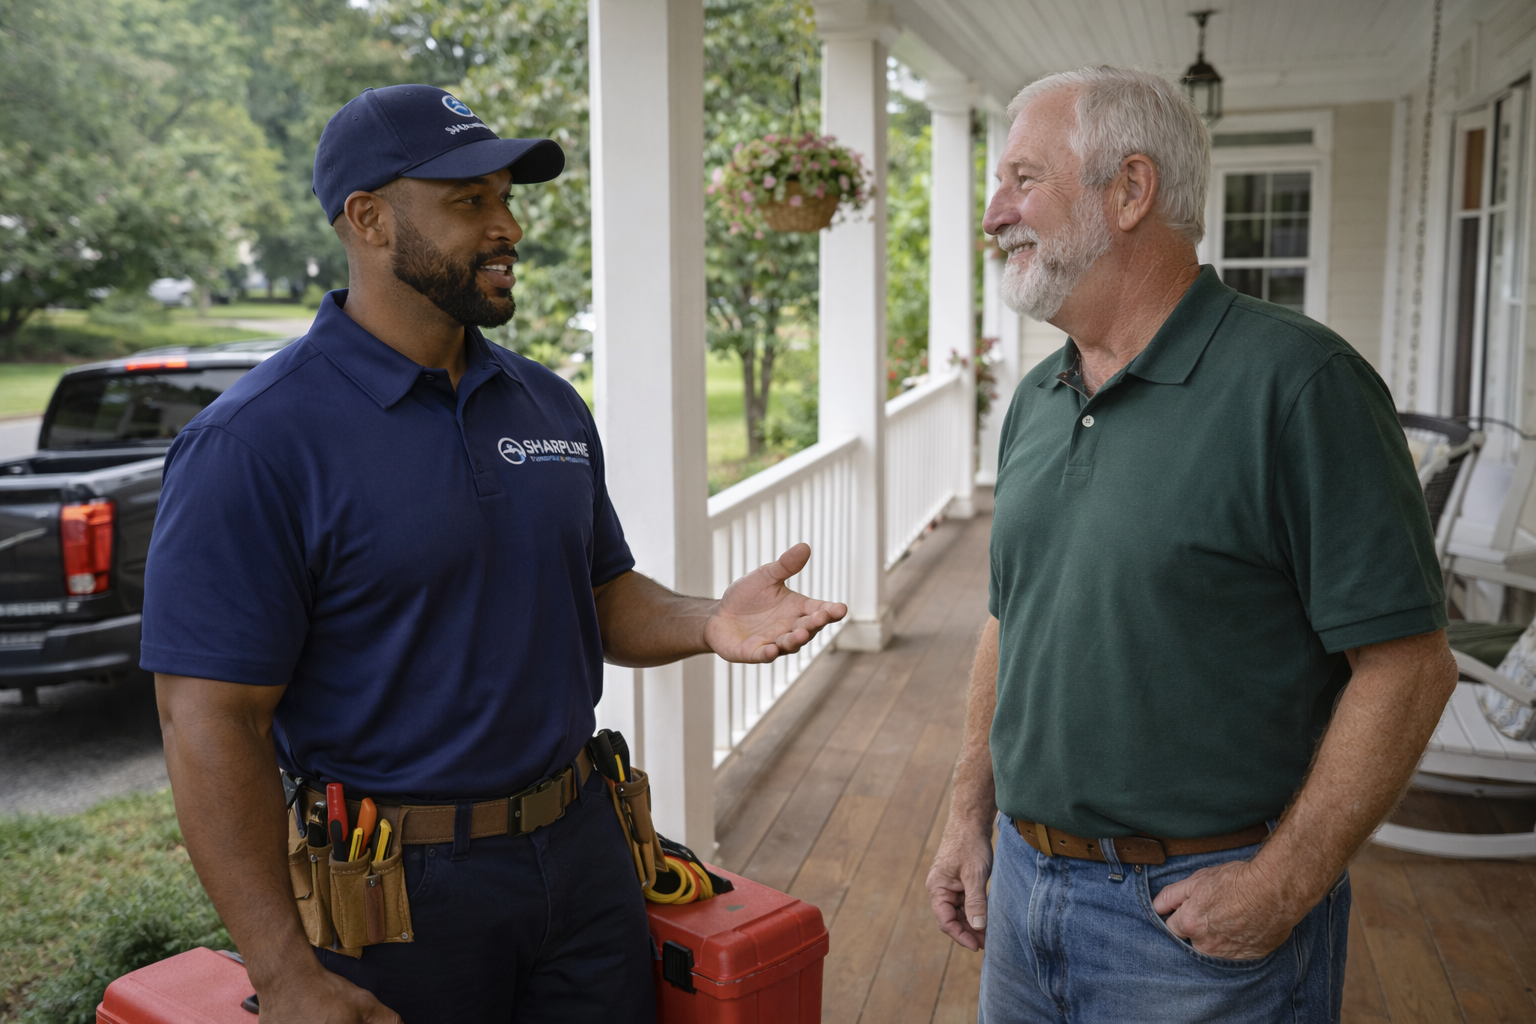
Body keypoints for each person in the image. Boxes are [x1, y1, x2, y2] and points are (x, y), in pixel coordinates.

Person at [144, 84, 846, 1024]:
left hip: (586, 853)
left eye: (507, 197)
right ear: (369, 220)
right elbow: (208, 725)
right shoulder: (254, 443)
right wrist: (284, 971)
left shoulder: (548, 405)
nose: (508, 225)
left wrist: (706, 620)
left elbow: (600, 594)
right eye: (470, 201)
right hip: (395, 898)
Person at [924, 66, 1457, 1023]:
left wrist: (1283, 886)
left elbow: (1409, 668)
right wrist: (969, 813)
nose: (996, 211)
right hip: (1022, 892)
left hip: (1193, 926)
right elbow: (1015, 617)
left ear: (1131, 191)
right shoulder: (1038, 402)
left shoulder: (1301, 386)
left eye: (1023, 178)